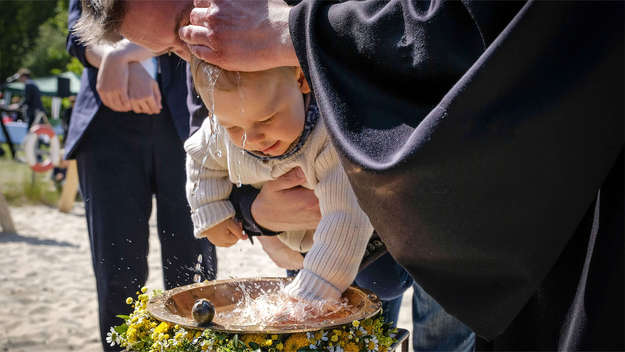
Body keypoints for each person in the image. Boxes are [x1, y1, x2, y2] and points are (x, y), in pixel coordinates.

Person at [73, 0, 624, 350]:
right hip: (348, 265)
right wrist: (248, 212)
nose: (201, 50)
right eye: (174, 48)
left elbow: (468, 26)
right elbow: (212, 147)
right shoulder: (211, 63)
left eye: (188, 22)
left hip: (460, 213)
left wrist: (294, 33)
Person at [67, 0, 217, 350]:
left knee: (192, 270)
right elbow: (79, 30)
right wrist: (115, 59)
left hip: (186, 125)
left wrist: (124, 55)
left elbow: (202, 18)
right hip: (107, 128)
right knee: (116, 269)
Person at [186, 57, 372, 303]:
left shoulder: (330, 139)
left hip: (364, 244)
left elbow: (345, 222)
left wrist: (312, 293)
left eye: (266, 120)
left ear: (301, 79)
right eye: (233, 127)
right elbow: (201, 158)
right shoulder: (224, 127)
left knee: (374, 291)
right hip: (298, 244)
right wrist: (210, 210)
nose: (252, 138)